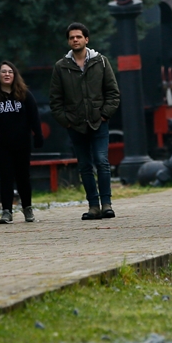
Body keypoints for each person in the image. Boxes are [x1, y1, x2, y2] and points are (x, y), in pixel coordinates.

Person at [49, 22, 120, 220]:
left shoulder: (101, 62)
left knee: (102, 161)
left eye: (78, 37)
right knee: (85, 166)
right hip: (76, 125)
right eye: (71, 37)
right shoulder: (61, 67)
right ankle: (93, 206)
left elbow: (113, 93)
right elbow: (55, 101)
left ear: (86, 39)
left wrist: (104, 114)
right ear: (68, 41)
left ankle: (107, 204)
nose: (75, 40)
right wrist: (67, 122)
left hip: (99, 122)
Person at [0, 61, 43, 224]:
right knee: (6, 177)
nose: (7, 74)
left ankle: (27, 208)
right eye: (3, 72)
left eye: (10, 72)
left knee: (23, 176)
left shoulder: (25, 95)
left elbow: (34, 117)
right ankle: (7, 211)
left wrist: (38, 136)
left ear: (14, 75)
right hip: (1, 144)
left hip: (22, 142)